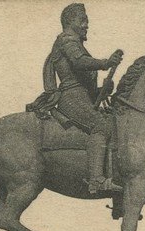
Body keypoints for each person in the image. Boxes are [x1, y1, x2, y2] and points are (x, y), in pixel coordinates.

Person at [30, 4, 124, 195]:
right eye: (83, 20)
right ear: (70, 21)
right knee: (101, 126)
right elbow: (79, 63)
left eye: (86, 20)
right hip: (71, 97)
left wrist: (103, 89)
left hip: (81, 95)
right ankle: (96, 180)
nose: (86, 25)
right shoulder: (67, 40)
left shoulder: (74, 42)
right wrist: (105, 63)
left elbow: (82, 76)